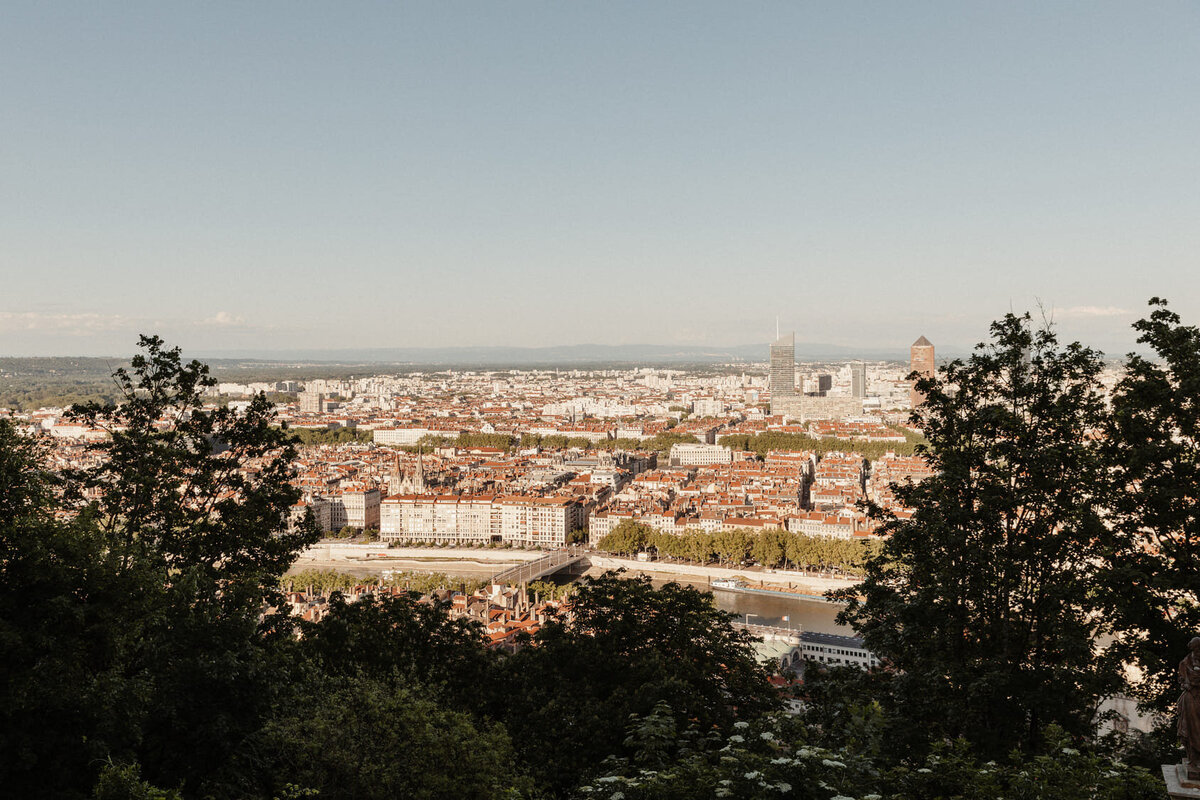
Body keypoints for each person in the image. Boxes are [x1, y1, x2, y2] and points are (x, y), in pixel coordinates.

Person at [1180, 637, 1200, 774]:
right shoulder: (1185, 663)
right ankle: (1193, 759)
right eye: (1196, 649)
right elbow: (1182, 680)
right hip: (1191, 697)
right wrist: (1187, 683)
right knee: (1191, 728)